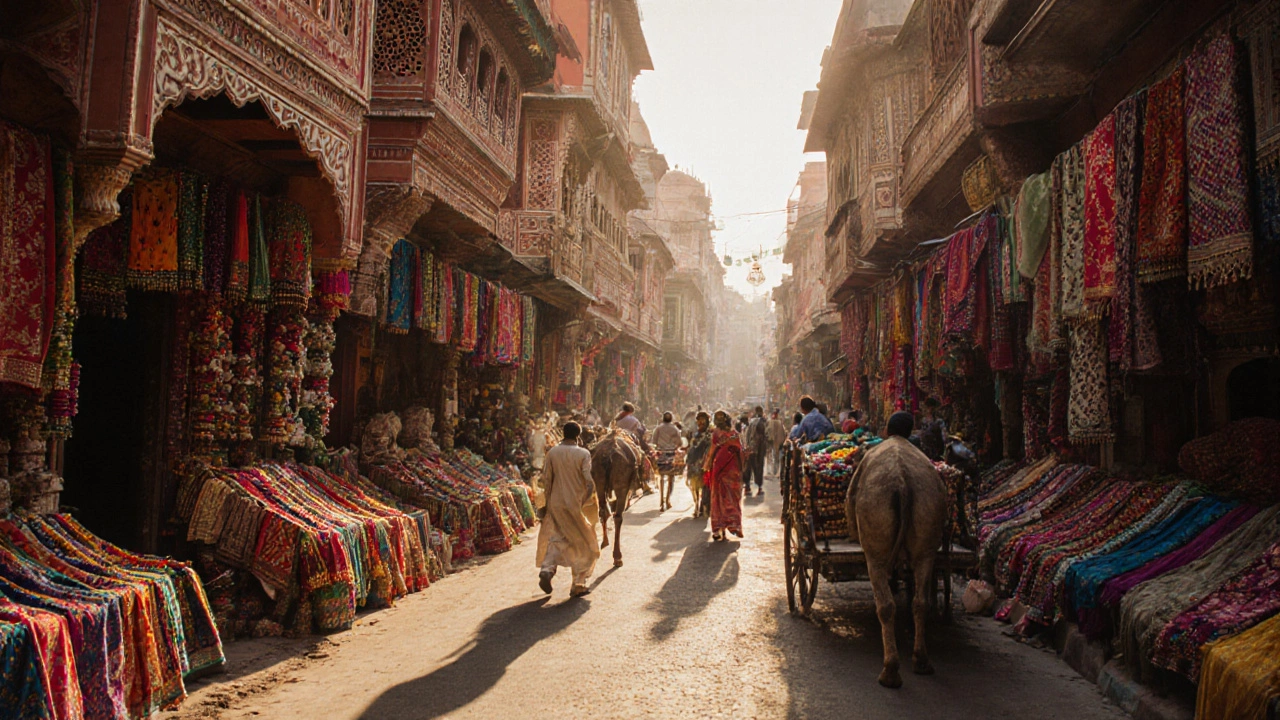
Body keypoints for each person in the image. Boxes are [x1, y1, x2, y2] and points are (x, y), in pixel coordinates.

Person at [536, 422, 600, 598]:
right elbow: (588, 480)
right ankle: (578, 584)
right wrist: (586, 499)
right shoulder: (583, 454)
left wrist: (547, 503)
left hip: (556, 503)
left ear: (563, 433)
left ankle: (547, 569)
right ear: (578, 436)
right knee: (584, 542)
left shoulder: (553, 452)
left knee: (557, 536)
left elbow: (546, 479)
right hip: (575, 504)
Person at [704, 410, 745, 541]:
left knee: (718, 498)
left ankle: (719, 528)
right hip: (731, 470)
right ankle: (733, 525)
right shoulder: (734, 435)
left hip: (722, 469)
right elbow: (740, 453)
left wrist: (707, 464)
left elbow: (712, 451)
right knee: (731, 497)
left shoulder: (717, 434)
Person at [652, 412, 684, 511]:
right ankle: (667, 500)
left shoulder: (658, 428)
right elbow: (679, 443)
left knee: (661, 478)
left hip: (660, 455)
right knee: (671, 479)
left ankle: (661, 501)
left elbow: (654, 442)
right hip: (671, 456)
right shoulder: (675, 429)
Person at [683, 411, 713, 518]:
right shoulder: (695, 434)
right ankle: (697, 506)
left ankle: (703, 507)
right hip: (694, 464)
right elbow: (691, 448)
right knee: (695, 486)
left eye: (702, 421)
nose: (700, 423)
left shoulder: (710, 435)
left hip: (705, 464)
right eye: (699, 421)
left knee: (706, 487)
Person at [742, 406, 769, 496]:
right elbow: (763, 436)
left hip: (749, 448)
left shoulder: (751, 422)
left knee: (748, 468)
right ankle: (759, 488)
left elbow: (747, 435)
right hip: (758, 449)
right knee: (758, 468)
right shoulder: (761, 422)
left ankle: (747, 487)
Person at [919, 397, 947, 461]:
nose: (930, 409)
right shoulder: (924, 420)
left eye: (930, 407)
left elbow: (944, 437)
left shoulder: (939, 421)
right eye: (928, 407)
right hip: (926, 448)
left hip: (935, 448)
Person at [766, 409, 787, 477]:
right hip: (776, 442)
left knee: (773, 456)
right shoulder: (779, 422)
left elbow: (767, 432)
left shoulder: (770, 422)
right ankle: (775, 470)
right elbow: (783, 433)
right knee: (776, 456)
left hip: (772, 441)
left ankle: (773, 470)